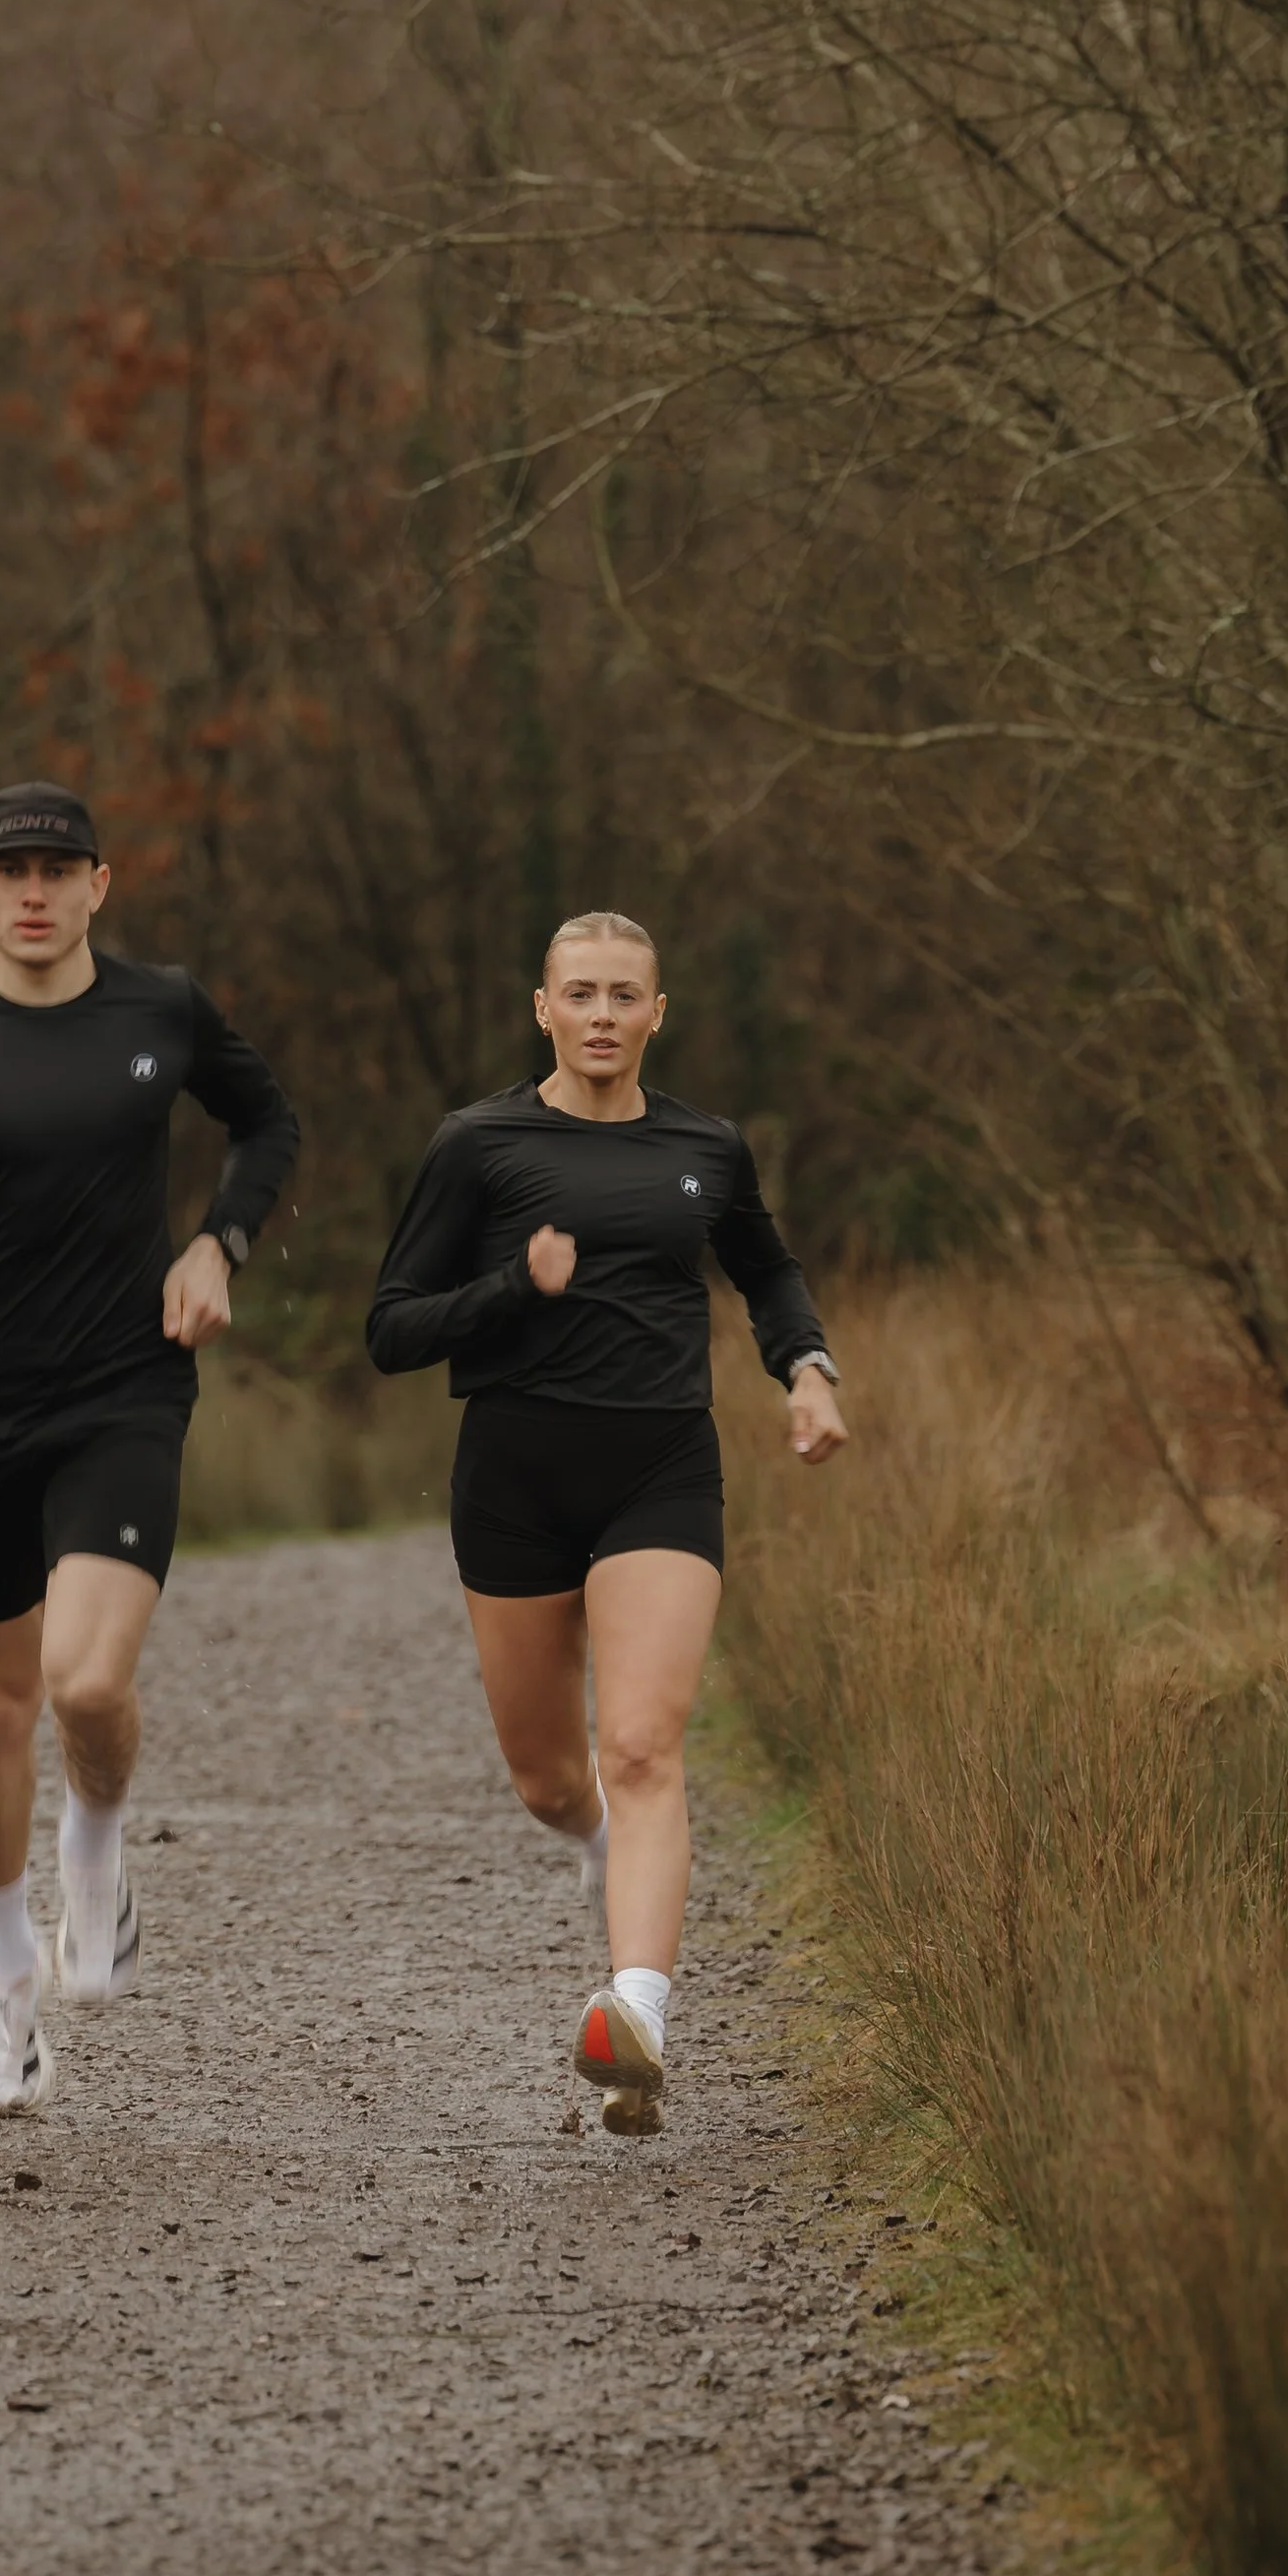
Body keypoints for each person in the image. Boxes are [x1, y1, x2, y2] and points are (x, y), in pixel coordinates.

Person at [0, 782, 298, 2115]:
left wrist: (217, 1243)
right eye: (8, 868)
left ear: (97, 885)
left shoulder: (159, 1009)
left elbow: (267, 1123)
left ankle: (96, 1844)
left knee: (85, 1685)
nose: (34, 890)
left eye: (57, 867)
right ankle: (5, 1974)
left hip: (127, 1386)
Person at [365, 911, 844, 2134]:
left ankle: (636, 2016)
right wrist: (510, 1288)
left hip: (660, 1473)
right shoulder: (476, 1145)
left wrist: (805, 1367)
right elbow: (392, 1327)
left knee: (639, 1746)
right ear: (543, 1008)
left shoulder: (706, 1146)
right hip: (514, 1481)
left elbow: (767, 1269)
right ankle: (599, 1854)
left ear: (655, 1012)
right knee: (546, 1774)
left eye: (623, 995)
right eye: (578, 993)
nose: (600, 1016)